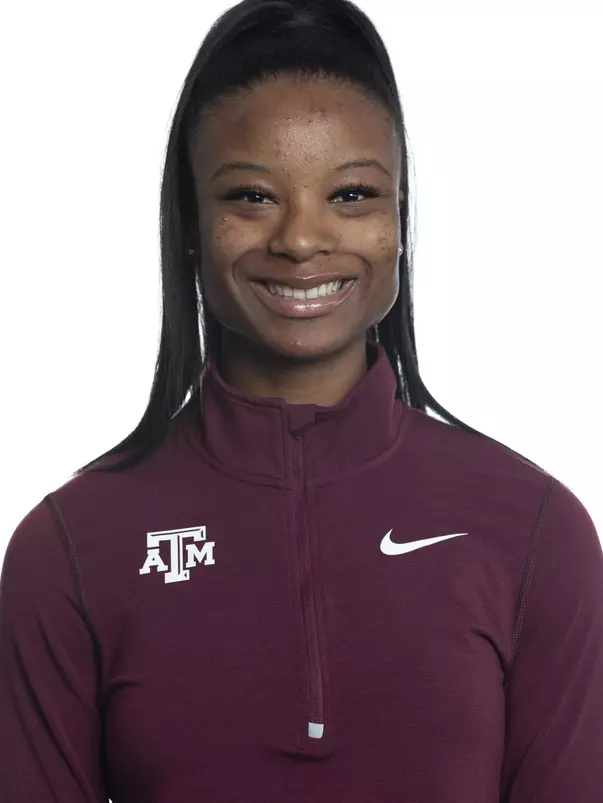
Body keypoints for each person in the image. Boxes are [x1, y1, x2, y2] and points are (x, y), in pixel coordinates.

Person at [1, 0, 602, 800]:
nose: (300, 239)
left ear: (398, 218)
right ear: (191, 221)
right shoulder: (70, 547)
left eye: (351, 194)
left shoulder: (532, 531)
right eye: (251, 196)